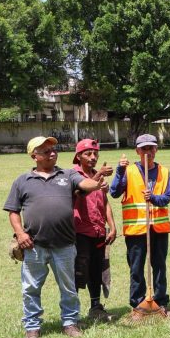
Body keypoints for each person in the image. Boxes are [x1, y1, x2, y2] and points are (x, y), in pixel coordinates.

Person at [5, 137, 108, 338]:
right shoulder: (22, 181)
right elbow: (13, 211)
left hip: (65, 245)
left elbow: (85, 184)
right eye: (46, 151)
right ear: (34, 156)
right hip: (34, 245)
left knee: (68, 287)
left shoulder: (67, 175)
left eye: (54, 149)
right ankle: (32, 328)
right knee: (31, 288)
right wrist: (20, 234)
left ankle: (70, 323)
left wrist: (96, 181)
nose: (52, 153)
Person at [110, 134, 170, 314]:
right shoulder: (129, 171)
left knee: (159, 266)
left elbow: (166, 198)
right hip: (136, 229)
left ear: (156, 149)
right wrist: (119, 171)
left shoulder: (164, 172)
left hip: (159, 228)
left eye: (151, 148)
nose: (148, 152)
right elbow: (114, 192)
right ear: (137, 151)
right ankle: (138, 304)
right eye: (144, 149)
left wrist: (152, 198)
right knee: (136, 268)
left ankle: (160, 302)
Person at [71, 138, 117, 322]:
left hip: (98, 231)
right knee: (79, 270)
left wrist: (112, 226)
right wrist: (98, 176)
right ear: (78, 156)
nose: (93, 157)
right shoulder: (73, 175)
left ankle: (96, 307)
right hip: (81, 231)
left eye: (95, 154)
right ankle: (72, 312)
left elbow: (104, 202)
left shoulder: (97, 175)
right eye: (88, 154)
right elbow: (81, 191)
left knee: (97, 269)